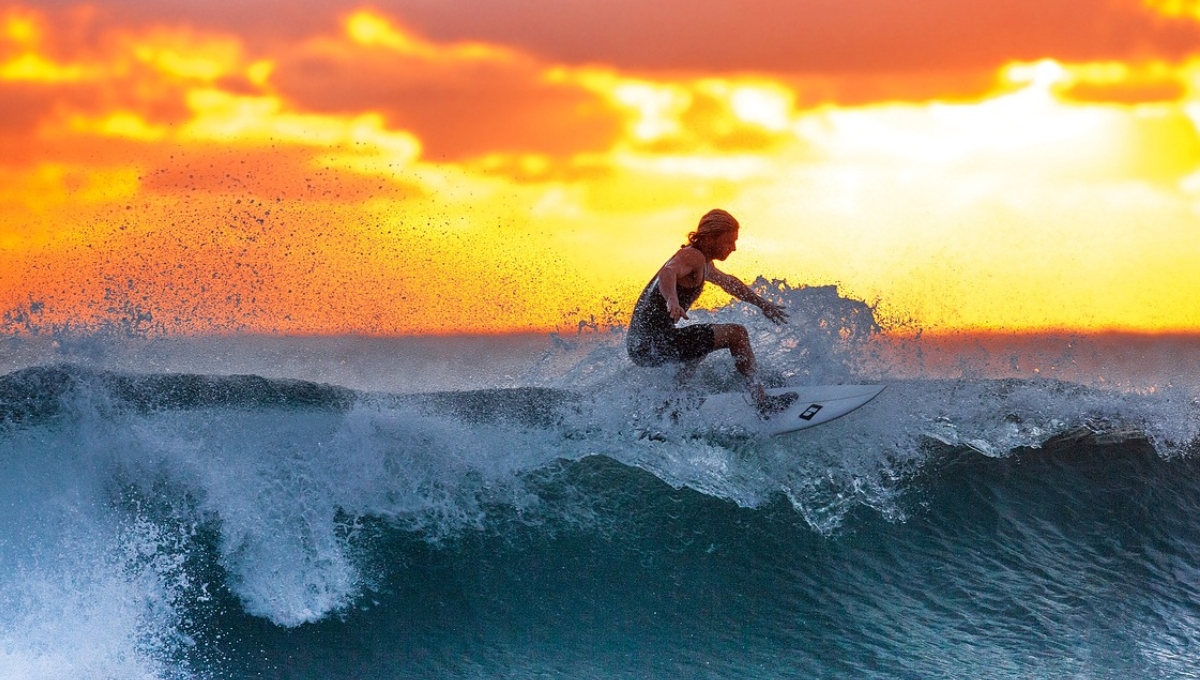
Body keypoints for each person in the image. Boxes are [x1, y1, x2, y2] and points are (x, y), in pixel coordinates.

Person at [626, 208, 798, 417]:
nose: (733, 248)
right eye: (728, 242)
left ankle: (669, 407)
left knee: (703, 343)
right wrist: (672, 299)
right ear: (708, 239)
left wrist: (762, 304)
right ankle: (761, 401)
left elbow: (730, 284)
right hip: (652, 343)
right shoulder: (692, 256)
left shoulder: (703, 263)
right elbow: (668, 272)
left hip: (642, 346)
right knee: (737, 334)